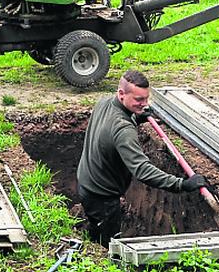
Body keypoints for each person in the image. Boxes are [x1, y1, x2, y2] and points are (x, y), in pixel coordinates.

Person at [76, 70, 208, 245]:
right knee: (109, 244)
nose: (145, 104)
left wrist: (136, 118)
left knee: (97, 229)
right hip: (102, 198)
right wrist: (181, 184)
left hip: (86, 182)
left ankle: (93, 237)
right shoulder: (123, 130)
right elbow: (142, 169)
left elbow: (111, 130)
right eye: (139, 100)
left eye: (146, 98)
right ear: (121, 94)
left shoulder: (104, 103)